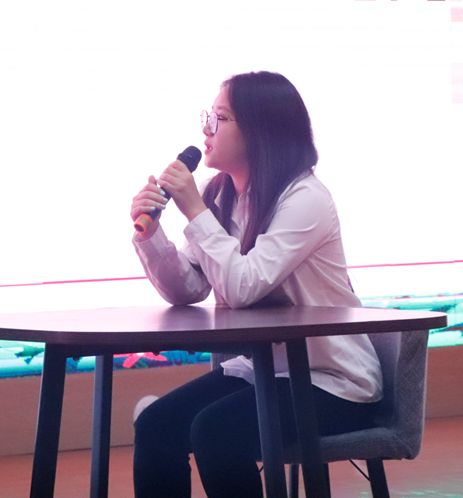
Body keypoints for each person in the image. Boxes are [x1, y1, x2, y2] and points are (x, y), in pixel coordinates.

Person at [129, 71, 382, 498]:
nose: (206, 129)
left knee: (215, 430)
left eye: (220, 118)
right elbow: (189, 289)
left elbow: (244, 287)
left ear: (260, 129)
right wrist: (151, 234)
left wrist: (194, 211)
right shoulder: (220, 194)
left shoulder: (305, 199)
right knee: (157, 424)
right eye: (209, 116)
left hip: (331, 382)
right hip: (262, 372)